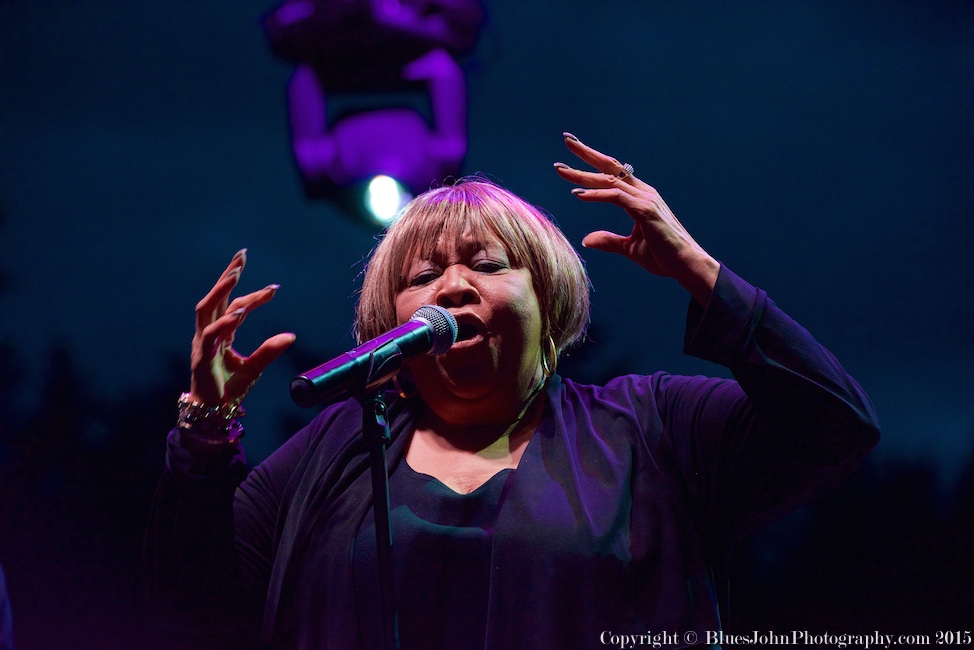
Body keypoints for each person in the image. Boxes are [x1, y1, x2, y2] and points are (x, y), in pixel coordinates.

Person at [145, 133, 880, 649]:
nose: (453, 286)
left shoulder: (652, 427)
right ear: (387, 323)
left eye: (487, 264)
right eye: (423, 277)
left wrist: (702, 274)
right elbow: (189, 607)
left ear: (549, 301)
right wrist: (205, 431)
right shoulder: (331, 455)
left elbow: (834, 424)